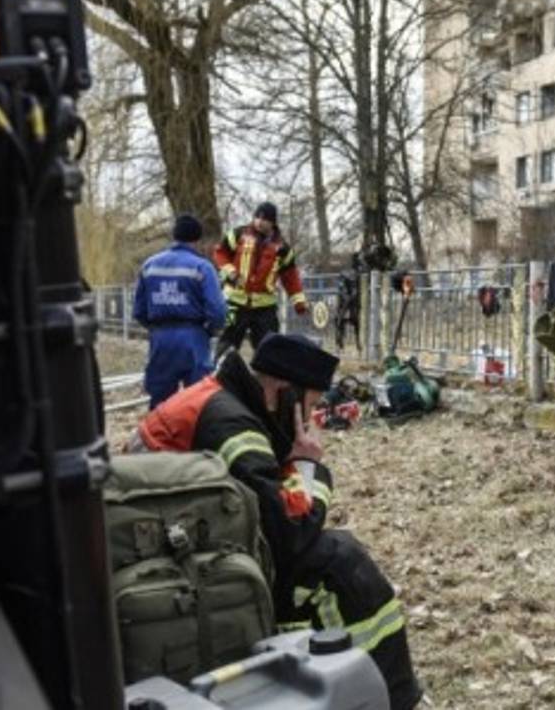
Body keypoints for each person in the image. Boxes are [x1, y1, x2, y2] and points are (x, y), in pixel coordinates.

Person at [132, 334, 422, 710]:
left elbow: (260, 502)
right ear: (285, 393)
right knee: (339, 565)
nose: (312, 420)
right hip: (180, 566)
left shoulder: (218, 399)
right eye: (312, 405)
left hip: (169, 545)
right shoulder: (235, 425)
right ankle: (393, 697)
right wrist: (308, 467)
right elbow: (290, 538)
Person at [133, 214, 228, 408]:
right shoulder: (202, 267)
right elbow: (217, 312)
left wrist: (156, 328)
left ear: (174, 236)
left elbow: (138, 310)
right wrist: (209, 330)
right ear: (197, 239)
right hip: (193, 337)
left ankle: (158, 436)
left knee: (160, 401)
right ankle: (194, 437)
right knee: (199, 399)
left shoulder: (150, 266)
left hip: (160, 339)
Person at [212, 201, 308, 358]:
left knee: (269, 349)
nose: (259, 222)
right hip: (235, 303)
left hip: (265, 307)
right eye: (257, 217)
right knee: (226, 346)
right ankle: (220, 379)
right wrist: (231, 272)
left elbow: (290, 276)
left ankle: (266, 381)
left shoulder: (283, 248)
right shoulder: (238, 234)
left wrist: (298, 301)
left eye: (264, 219)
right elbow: (220, 253)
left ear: (273, 222)